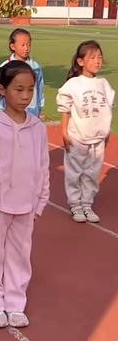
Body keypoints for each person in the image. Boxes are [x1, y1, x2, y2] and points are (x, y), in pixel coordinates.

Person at [0, 60, 50, 329]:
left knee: (19, 255)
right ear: (2, 90)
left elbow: (43, 166)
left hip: (26, 206)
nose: (26, 96)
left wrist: (40, 201)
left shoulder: (38, 128)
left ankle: (16, 303)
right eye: (19, 89)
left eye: (30, 90)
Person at [57, 40, 115, 224]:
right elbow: (65, 109)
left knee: (92, 172)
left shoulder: (104, 84)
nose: (97, 61)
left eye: (99, 57)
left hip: (97, 139)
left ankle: (87, 204)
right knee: (75, 172)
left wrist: (106, 133)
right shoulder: (73, 84)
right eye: (92, 58)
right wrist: (64, 133)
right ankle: (75, 205)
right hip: (78, 137)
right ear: (81, 61)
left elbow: (108, 110)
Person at [0, 28, 44, 118]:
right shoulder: (5, 68)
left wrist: (39, 108)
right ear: (12, 46)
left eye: (28, 45)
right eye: (22, 45)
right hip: (11, 115)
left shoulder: (35, 67)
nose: (26, 48)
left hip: (32, 113)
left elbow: (39, 89)